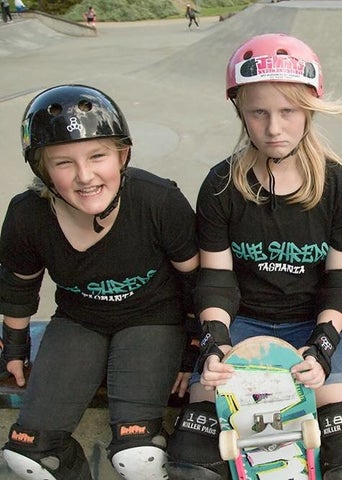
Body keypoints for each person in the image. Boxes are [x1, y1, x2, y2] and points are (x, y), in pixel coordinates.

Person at [165, 33, 342, 480]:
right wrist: (215, 342)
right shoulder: (222, 184)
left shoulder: (336, 183)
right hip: (242, 322)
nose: (273, 127)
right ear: (240, 112)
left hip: (313, 322)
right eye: (258, 112)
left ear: (311, 109)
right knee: (195, 459)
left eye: (288, 111)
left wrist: (323, 346)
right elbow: (216, 279)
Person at [0, 84, 200, 479]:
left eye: (98, 156)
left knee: (139, 457)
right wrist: (16, 346)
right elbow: (19, 286)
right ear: (42, 169)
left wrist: (194, 348)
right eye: (63, 163)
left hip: (154, 322)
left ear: (123, 154)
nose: (85, 175)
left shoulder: (157, 200)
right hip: (80, 321)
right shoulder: (27, 216)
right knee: (29, 457)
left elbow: (198, 281)